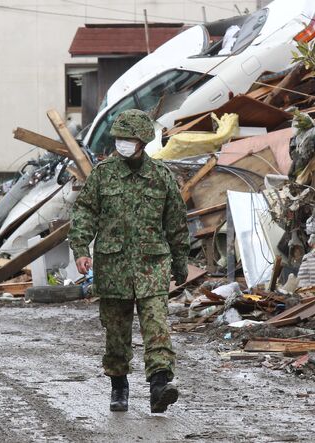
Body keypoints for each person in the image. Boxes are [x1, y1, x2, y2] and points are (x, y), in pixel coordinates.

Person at [69, 109, 189, 413]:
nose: (121, 143)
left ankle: (159, 385)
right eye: (119, 137)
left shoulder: (161, 177)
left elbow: (176, 223)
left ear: (143, 141)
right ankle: (119, 386)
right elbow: (84, 212)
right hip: (113, 267)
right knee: (117, 332)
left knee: (157, 326)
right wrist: (81, 248)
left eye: (128, 138)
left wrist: (180, 262)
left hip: (152, 266)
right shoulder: (103, 174)